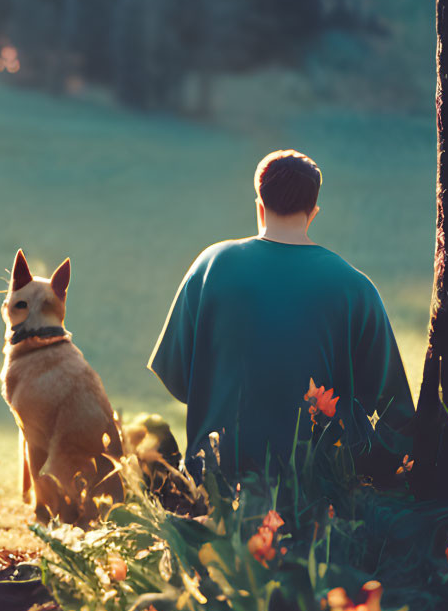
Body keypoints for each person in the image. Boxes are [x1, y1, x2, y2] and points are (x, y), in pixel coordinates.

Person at [148, 149, 414, 474]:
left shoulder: (211, 265)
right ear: (313, 212)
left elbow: (179, 377)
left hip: (219, 479)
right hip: (321, 488)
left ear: (260, 207)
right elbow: (393, 406)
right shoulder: (355, 287)